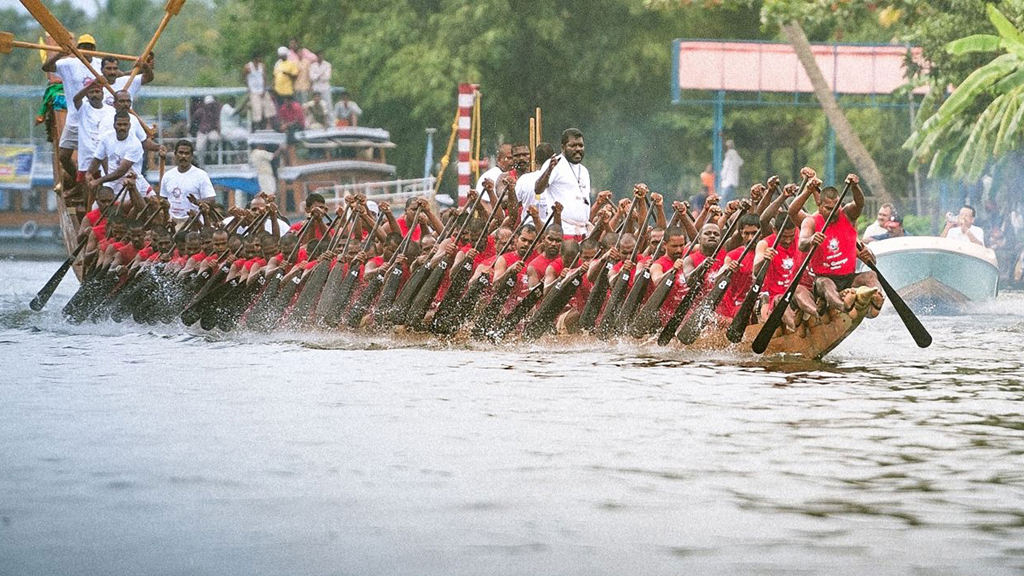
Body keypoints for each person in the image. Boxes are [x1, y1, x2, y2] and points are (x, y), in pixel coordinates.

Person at [794, 174, 883, 314]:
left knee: (871, 275)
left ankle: (877, 299)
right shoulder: (810, 221)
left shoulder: (847, 214)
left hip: (848, 278)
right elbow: (802, 244)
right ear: (819, 205)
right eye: (828, 208)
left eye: (836, 208)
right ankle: (844, 307)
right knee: (826, 284)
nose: (833, 212)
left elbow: (860, 203)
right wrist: (811, 240)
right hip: (824, 279)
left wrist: (855, 186)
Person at [42, 34, 103, 192]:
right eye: (83, 48)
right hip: (75, 117)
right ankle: (79, 182)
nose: (87, 51)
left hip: (94, 119)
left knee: (94, 157)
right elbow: (47, 67)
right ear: (77, 49)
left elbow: (116, 75)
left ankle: (93, 187)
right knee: (63, 156)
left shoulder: (100, 64)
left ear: (95, 50)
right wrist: (61, 53)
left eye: (90, 48)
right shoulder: (68, 63)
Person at [534, 128, 591, 239]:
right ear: (563, 148)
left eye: (581, 145)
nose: (578, 149)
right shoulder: (555, 164)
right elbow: (538, 189)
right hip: (562, 232)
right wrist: (549, 170)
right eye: (573, 146)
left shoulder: (584, 170)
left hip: (582, 232)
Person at [86, 110, 152, 196]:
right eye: (119, 125)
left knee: (152, 203)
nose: (122, 128)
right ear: (114, 125)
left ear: (129, 126)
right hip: (110, 183)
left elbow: (121, 171)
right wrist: (89, 173)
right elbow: (97, 158)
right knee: (97, 208)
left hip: (130, 183)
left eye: (125, 125)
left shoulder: (135, 144)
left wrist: (97, 181)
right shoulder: (106, 137)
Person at [159, 139, 217, 227]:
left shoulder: (201, 175)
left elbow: (212, 200)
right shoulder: (167, 176)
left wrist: (197, 202)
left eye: (187, 153)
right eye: (180, 153)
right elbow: (163, 199)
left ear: (191, 156)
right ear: (175, 154)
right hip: (172, 223)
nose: (183, 156)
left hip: (194, 223)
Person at [515, 142, 555, 223]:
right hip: (552, 229)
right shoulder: (560, 180)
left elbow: (514, 205)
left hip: (529, 229)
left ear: (536, 161)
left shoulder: (524, 179)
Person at [242, 54, 275, 129]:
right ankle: (256, 125)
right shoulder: (248, 67)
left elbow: (264, 78)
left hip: (262, 90)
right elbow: (244, 77)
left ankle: (268, 124)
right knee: (257, 108)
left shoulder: (262, 66)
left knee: (268, 106)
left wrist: (264, 89)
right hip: (253, 90)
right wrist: (248, 87)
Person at [194, 95, 222, 163]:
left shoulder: (215, 112)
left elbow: (217, 122)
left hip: (211, 131)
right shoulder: (200, 111)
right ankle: (201, 163)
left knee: (216, 138)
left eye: (211, 104)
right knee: (199, 148)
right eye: (208, 104)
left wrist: (219, 130)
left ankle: (211, 152)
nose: (210, 106)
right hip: (202, 132)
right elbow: (194, 120)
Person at [287, 39, 316, 103]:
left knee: (305, 104)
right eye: (291, 44)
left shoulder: (306, 61)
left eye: (293, 43)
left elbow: (314, 58)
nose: (292, 45)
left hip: (305, 86)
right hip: (296, 86)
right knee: (297, 105)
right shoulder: (291, 56)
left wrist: (311, 85)